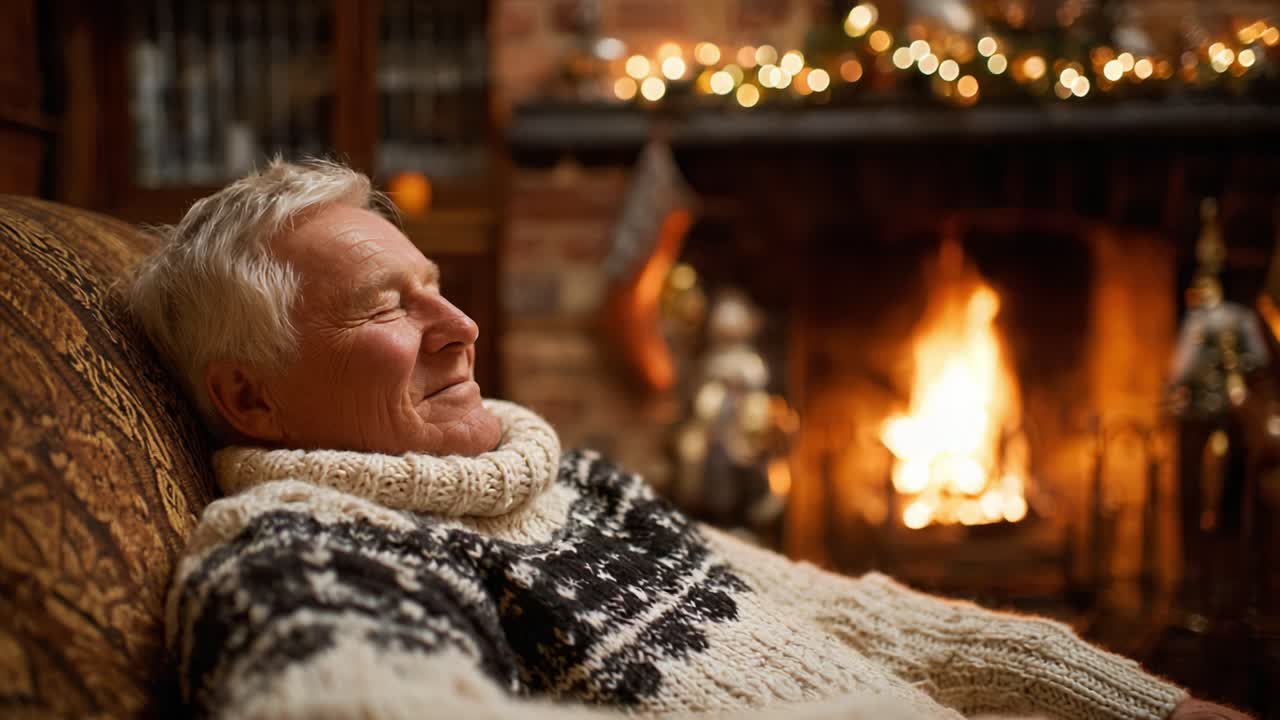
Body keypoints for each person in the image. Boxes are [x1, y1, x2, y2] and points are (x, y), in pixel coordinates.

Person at [131, 159, 1245, 720]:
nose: (460, 326)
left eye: (437, 286)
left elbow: (851, 615)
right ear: (252, 398)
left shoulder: (563, 480)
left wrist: (1147, 707)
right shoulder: (303, 549)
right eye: (385, 308)